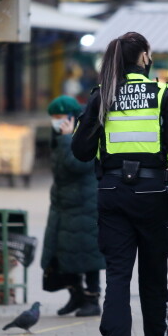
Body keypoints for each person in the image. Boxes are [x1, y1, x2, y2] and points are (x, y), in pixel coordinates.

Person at [71, 32, 168, 336]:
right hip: (153, 195)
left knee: (118, 278)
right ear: (143, 58)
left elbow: (80, 151)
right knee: (154, 279)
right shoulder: (161, 94)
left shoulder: (102, 95)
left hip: (112, 192)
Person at [40, 95, 105, 317]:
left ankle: (92, 298)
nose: (56, 122)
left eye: (60, 117)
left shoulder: (83, 132)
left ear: (71, 117)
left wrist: (68, 138)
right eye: (54, 118)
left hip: (85, 203)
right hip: (64, 204)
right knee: (65, 253)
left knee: (88, 253)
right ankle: (75, 295)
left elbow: (78, 164)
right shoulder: (59, 135)